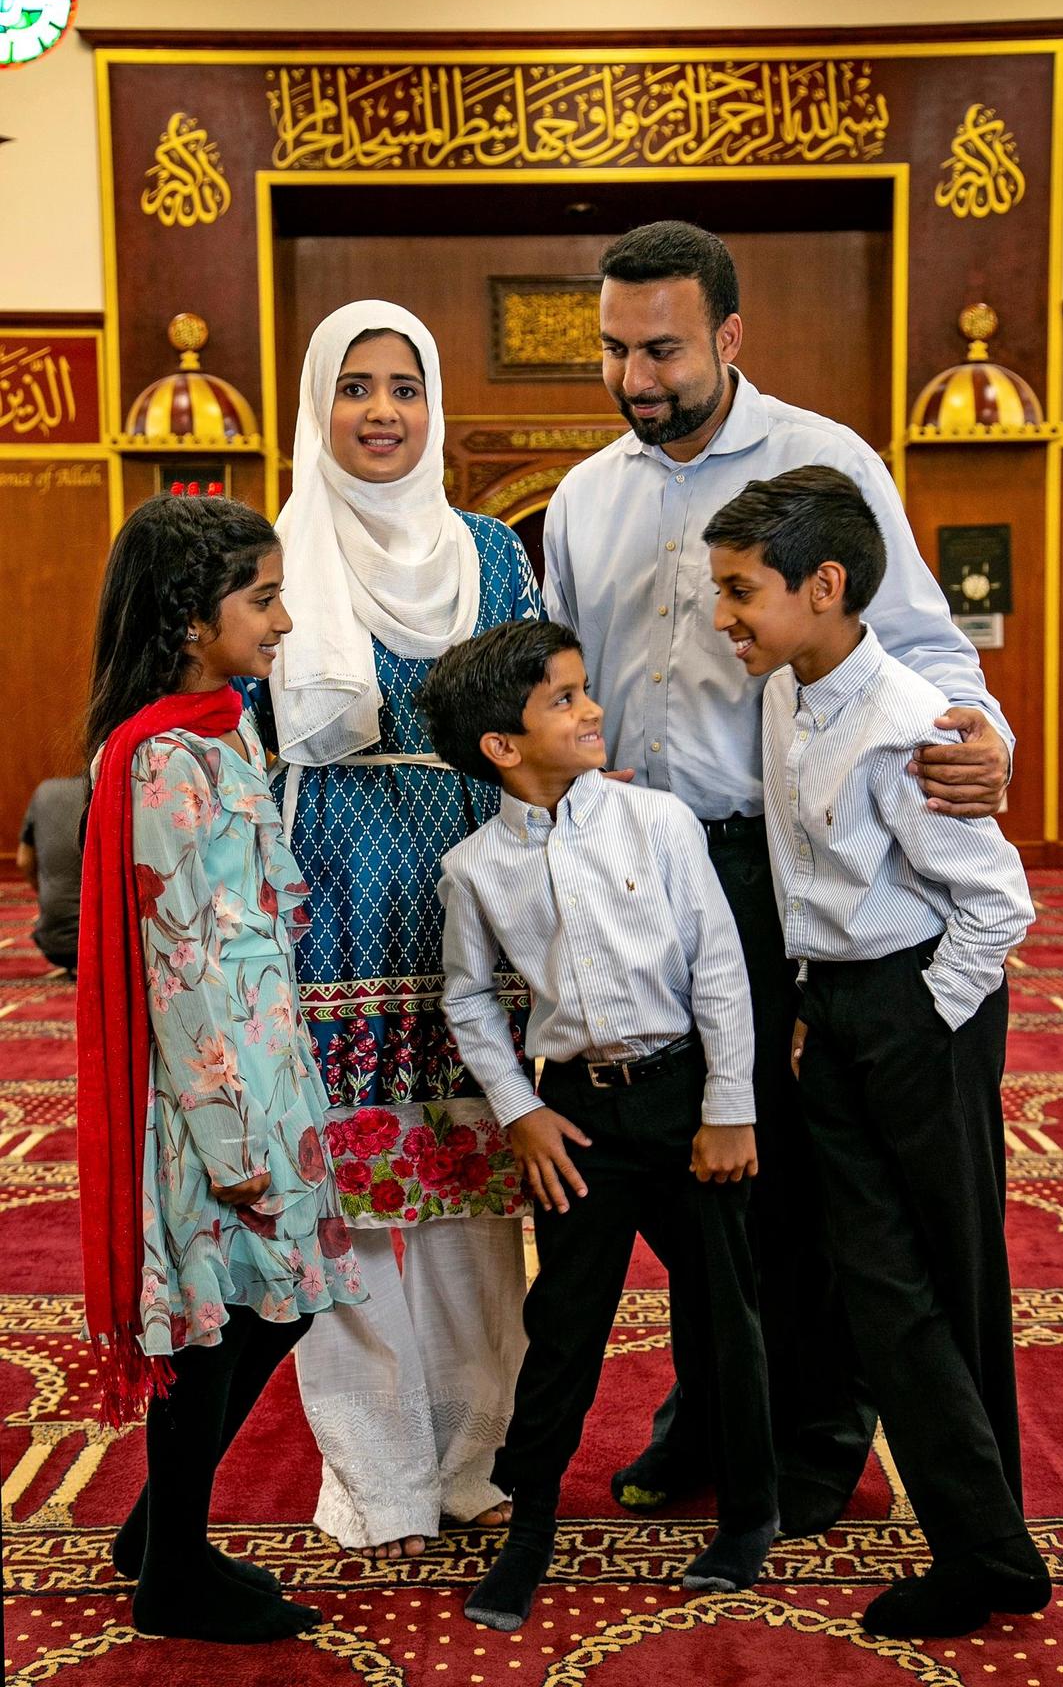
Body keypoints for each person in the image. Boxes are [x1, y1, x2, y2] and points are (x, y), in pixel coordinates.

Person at [543, 219, 1017, 1536]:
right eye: (614, 351)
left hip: (775, 867)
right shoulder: (583, 497)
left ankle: (813, 1434)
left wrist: (984, 736)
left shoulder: (827, 460)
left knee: (791, 1168)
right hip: (633, 870)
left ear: (731, 337)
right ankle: (714, 1409)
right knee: (676, 1162)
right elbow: (564, 671)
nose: (636, 378)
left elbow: (925, 644)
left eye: (663, 350)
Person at [706, 466, 1049, 1637]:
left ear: (824, 584)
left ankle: (986, 1542)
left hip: (922, 1007)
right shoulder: (782, 692)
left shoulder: (907, 721)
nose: (723, 615)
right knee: (878, 1279)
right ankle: (989, 1544)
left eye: (741, 589)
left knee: (948, 1273)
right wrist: (818, 998)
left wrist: (923, 1015)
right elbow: (811, 875)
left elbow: (997, 903)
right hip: (839, 1008)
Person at [418, 618, 777, 1633]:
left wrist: (729, 1107)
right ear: (502, 744)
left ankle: (749, 1514)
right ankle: (529, 1527)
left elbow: (718, 966)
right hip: (576, 1120)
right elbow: (468, 999)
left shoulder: (658, 821)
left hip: (685, 1101)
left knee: (727, 1315)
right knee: (565, 1326)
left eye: (584, 689)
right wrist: (521, 1107)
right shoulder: (474, 867)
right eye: (565, 699)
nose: (592, 709)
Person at [261, 301, 539, 1560]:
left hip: (469, 896)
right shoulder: (278, 552)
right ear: (318, 402)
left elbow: (534, 713)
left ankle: (471, 1456)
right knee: (356, 1198)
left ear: (434, 408)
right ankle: (378, 1471)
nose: (381, 410)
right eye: (356, 385)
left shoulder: (493, 552)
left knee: (474, 1190)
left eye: (405, 386)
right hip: (325, 898)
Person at [77, 493, 364, 1644]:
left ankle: (160, 1530)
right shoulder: (163, 757)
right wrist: (234, 1140)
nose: (284, 620)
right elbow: (181, 961)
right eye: (263, 598)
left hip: (262, 1059)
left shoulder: (220, 727)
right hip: (211, 1095)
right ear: (192, 617)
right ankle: (175, 1570)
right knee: (224, 1319)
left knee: (278, 1303)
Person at [17, 775, 85, 972]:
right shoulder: (114, 789)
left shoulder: (44, 791)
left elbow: (23, 861)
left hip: (55, 942)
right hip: (107, 943)